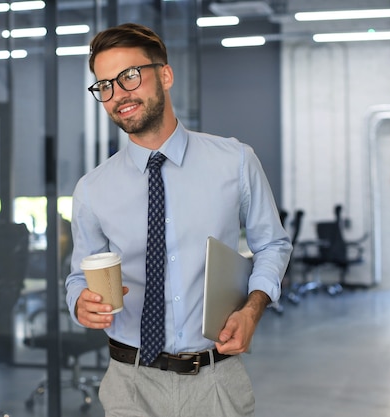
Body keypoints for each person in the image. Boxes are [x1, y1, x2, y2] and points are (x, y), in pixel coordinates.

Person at [65, 23, 292, 417]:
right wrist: (78, 301)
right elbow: (77, 277)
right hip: (129, 383)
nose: (119, 94)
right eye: (105, 86)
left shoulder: (234, 161)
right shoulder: (92, 189)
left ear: (165, 75)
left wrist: (252, 309)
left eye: (130, 76)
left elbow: (272, 245)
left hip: (214, 380)